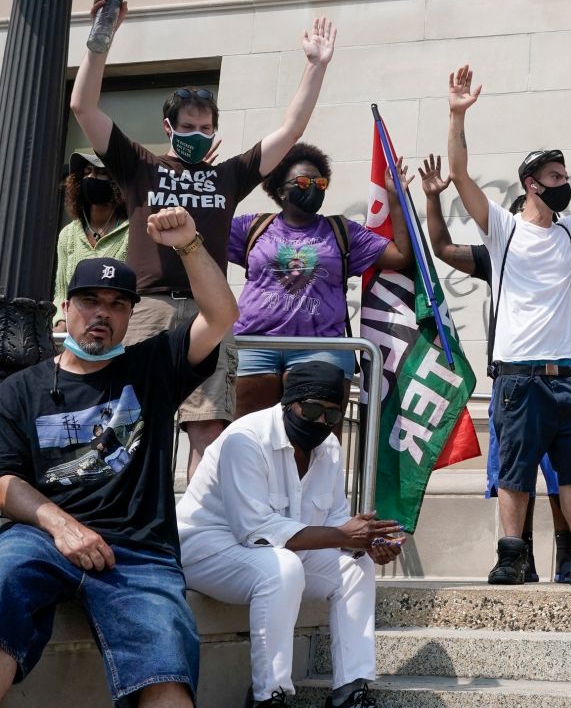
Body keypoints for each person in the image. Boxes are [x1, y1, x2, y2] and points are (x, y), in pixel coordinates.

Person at [70, 0, 337, 479]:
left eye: (206, 127)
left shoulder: (228, 175)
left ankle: (195, 538)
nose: (198, 135)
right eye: (188, 127)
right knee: (130, 426)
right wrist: (101, 37)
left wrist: (316, 66)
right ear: (169, 128)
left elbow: (291, 130)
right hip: (147, 306)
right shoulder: (139, 166)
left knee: (208, 429)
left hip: (209, 312)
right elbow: (84, 107)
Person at [0, 208, 235, 707]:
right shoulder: (21, 389)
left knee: (167, 666)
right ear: (66, 307)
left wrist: (190, 244)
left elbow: (220, 317)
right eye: (90, 301)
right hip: (41, 538)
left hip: (139, 555)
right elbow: (3, 479)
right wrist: (61, 526)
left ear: (131, 315)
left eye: (117, 304)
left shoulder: (153, 366)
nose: (102, 313)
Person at [442, 65, 571, 586]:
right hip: (519, 379)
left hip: (570, 376)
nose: (564, 186)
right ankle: (512, 555)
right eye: (555, 179)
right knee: (514, 475)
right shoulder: (503, 229)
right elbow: (459, 176)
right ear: (531, 184)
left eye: (567, 179)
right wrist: (457, 116)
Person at [177, 362, 401, 708]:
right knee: (282, 567)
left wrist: (366, 543)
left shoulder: (328, 448)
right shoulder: (245, 438)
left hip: (272, 555)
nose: (320, 423)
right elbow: (255, 531)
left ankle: (349, 692)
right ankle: (270, 696)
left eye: (331, 415)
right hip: (208, 550)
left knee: (356, 568)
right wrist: (342, 534)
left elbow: (335, 520)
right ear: (289, 402)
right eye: (312, 410)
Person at [230, 143, 413, 416]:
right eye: (303, 182)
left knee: (313, 440)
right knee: (248, 439)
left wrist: (395, 197)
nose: (313, 187)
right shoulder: (253, 227)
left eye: (320, 182)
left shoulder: (342, 231)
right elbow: (200, 236)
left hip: (320, 348)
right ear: (281, 190)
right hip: (255, 346)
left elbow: (401, 255)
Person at [53, 151, 129, 331]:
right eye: (87, 171)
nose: (92, 177)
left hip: (116, 328)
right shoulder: (68, 234)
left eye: (101, 172)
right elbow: (62, 291)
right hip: (75, 331)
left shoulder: (132, 231)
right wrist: (60, 323)